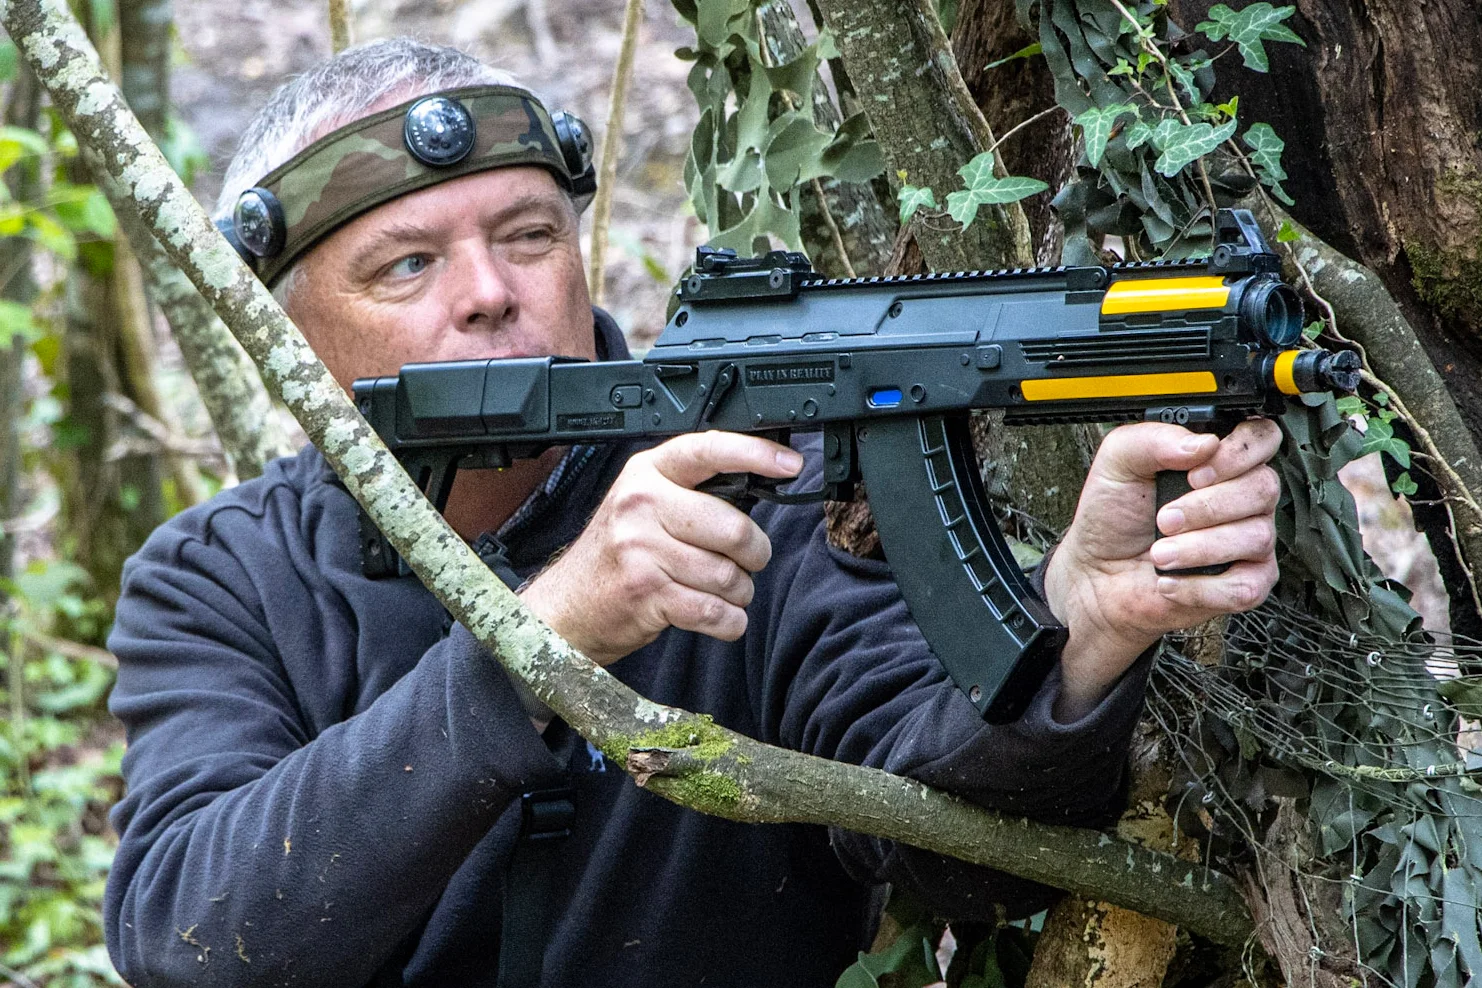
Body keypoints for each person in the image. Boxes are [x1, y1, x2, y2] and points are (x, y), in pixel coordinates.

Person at [103, 38, 1283, 988]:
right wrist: (547, 638)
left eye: (529, 238)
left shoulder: (747, 475)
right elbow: (191, 934)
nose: (490, 295)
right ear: (290, 337)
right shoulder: (221, 576)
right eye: (406, 266)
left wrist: (1083, 630)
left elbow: (949, 836)